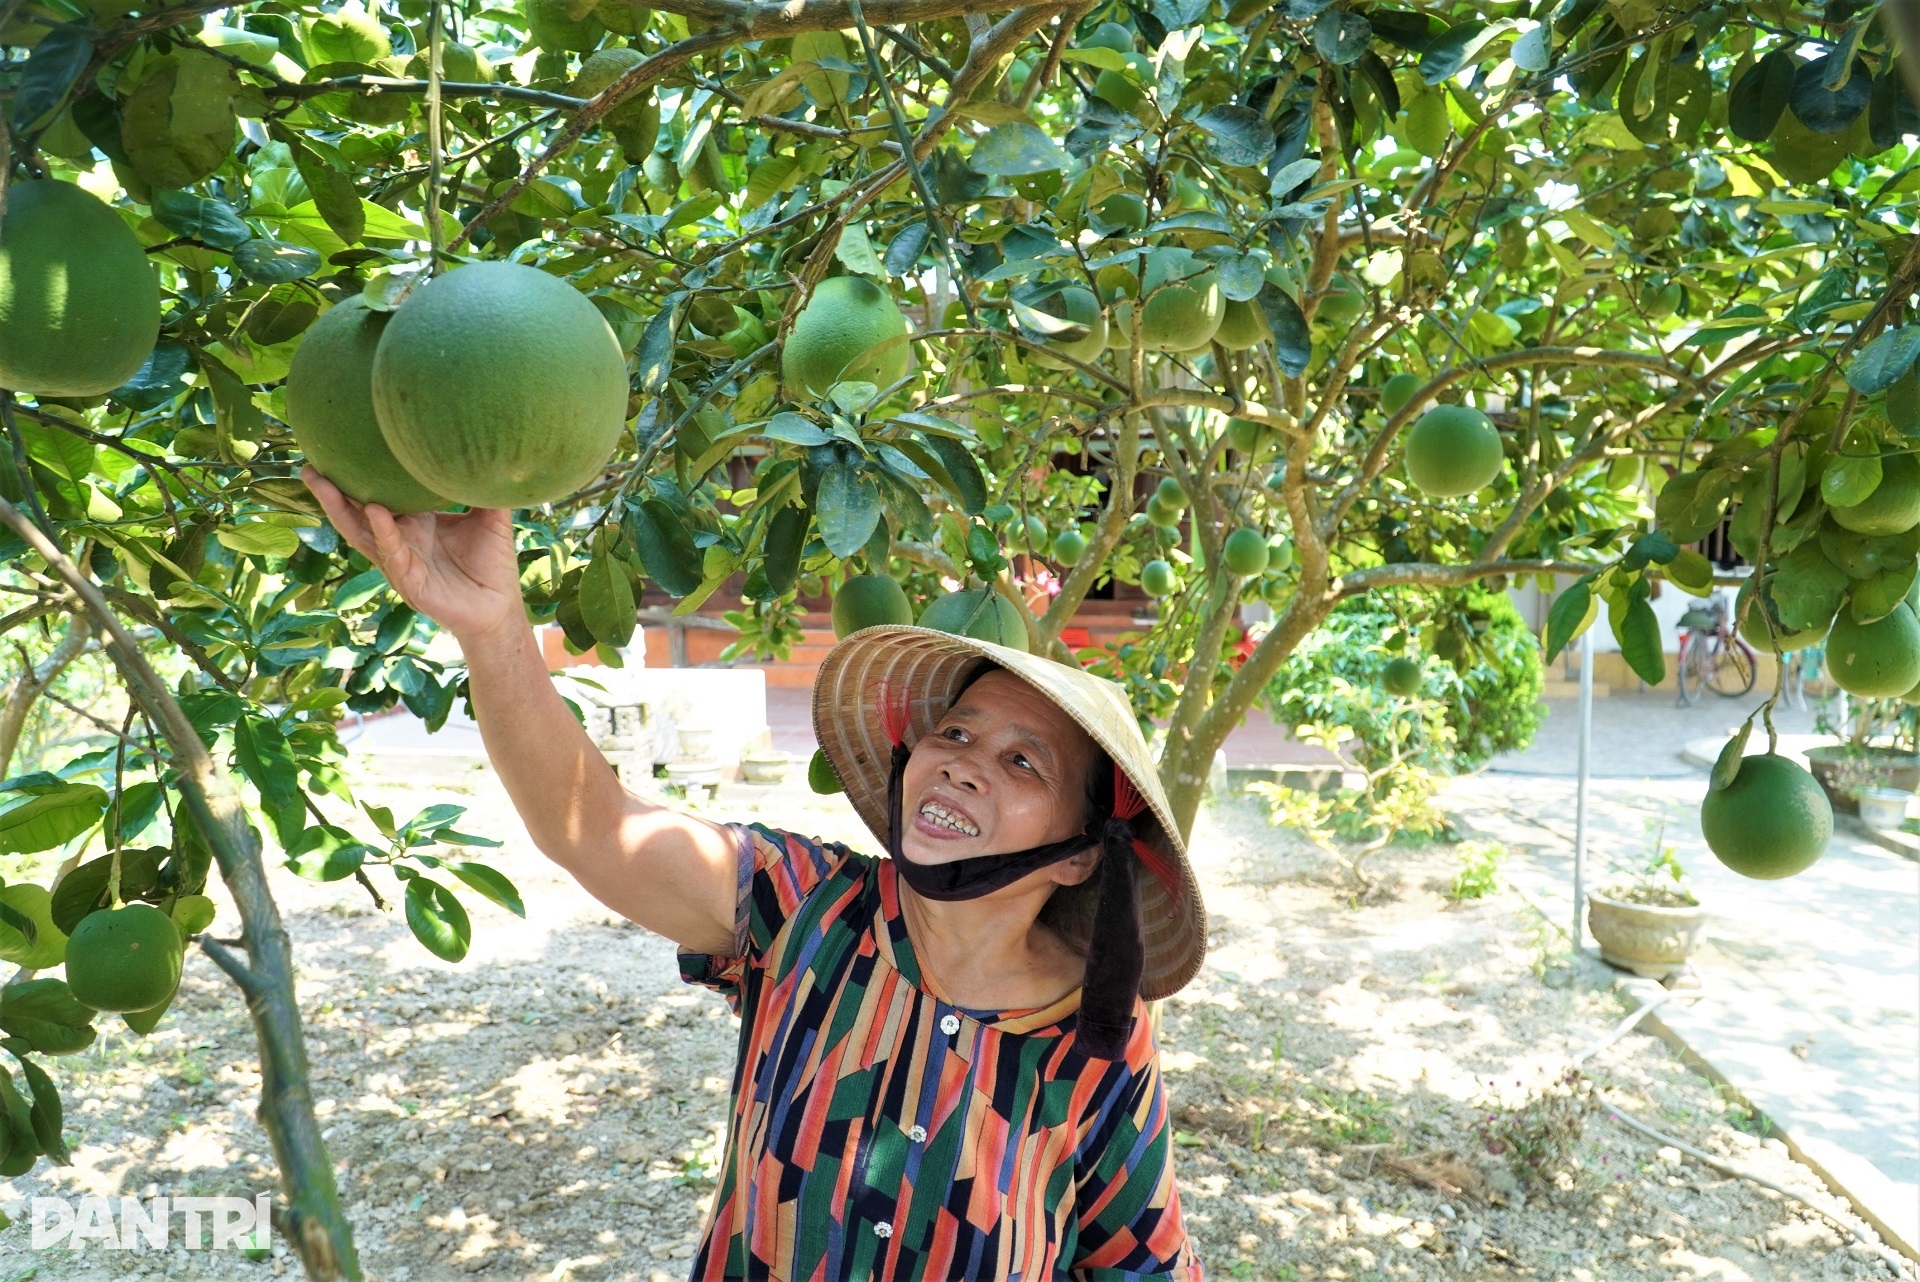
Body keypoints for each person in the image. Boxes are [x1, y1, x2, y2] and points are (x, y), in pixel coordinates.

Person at [304, 467, 1209, 1280]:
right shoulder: (805, 906)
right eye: (957, 733)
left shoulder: (1097, 1036)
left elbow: (1141, 1262)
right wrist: (496, 625)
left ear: (1085, 850)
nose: (965, 763)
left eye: (1024, 764)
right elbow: (592, 826)